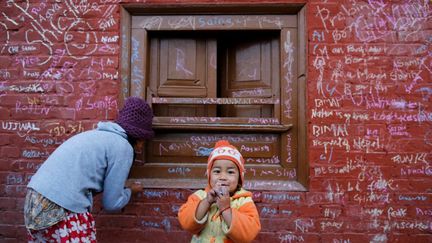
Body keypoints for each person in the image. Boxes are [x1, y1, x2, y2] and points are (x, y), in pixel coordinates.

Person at [24, 97, 154, 242]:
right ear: (139, 138)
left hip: (36, 199)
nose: (142, 147)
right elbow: (112, 203)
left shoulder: (97, 135)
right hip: (61, 206)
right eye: (143, 140)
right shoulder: (123, 147)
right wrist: (130, 191)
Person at [178, 140, 261, 243]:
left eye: (230, 172)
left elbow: (249, 233)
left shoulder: (244, 200)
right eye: (217, 171)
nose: (223, 177)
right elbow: (186, 223)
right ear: (209, 175)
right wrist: (207, 202)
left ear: (239, 177)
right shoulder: (200, 196)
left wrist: (226, 209)